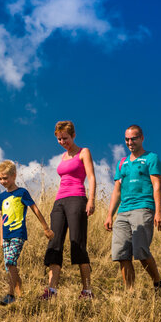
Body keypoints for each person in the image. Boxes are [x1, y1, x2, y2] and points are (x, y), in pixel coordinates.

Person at [104, 124, 161, 294]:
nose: (130, 142)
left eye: (133, 138)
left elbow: (157, 186)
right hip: (123, 211)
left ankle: (157, 283)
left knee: (140, 250)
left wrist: (158, 212)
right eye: (127, 139)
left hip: (143, 208)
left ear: (142, 138)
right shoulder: (122, 163)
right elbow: (117, 191)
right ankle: (130, 293)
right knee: (121, 253)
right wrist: (110, 214)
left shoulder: (151, 158)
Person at [41, 121, 96, 300]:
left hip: (77, 199)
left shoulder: (83, 152)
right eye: (59, 139)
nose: (62, 141)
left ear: (73, 135)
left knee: (77, 242)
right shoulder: (63, 157)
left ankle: (87, 291)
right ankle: (51, 290)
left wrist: (91, 200)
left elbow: (91, 177)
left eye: (65, 138)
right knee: (54, 243)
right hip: (59, 201)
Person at [0, 160, 53, 305]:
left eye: (5, 178)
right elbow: (1, 219)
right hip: (6, 236)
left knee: (10, 262)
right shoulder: (2, 196)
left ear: (14, 176)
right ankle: (16, 296)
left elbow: (35, 209)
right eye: (0, 179)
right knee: (9, 267)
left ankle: (15, 295)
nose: (3, 181)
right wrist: (1, 238)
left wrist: (45, 227)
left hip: (18, 234)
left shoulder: (22, 193)